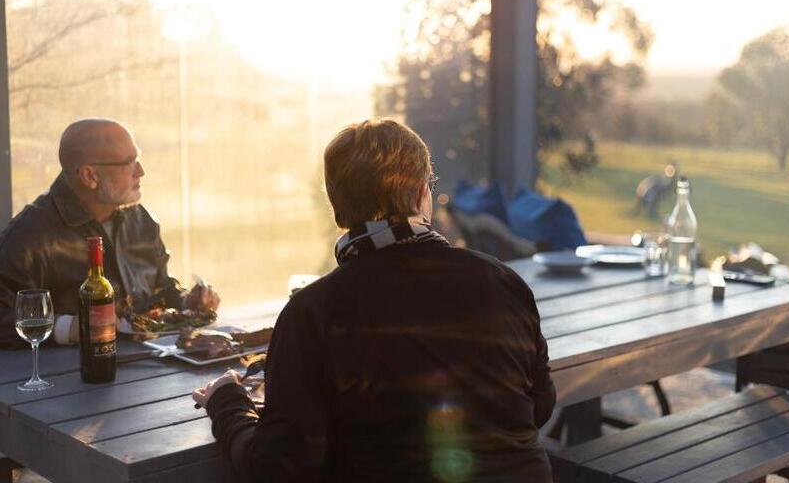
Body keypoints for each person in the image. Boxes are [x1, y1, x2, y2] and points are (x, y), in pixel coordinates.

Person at [193, 119, 556, 482]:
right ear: (419, 196)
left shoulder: (314, 311)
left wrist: (227, 402)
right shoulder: (503, 281)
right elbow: (539, 406)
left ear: (338, 209)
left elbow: (278, 467)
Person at [0, 118, 220, 348]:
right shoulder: (29, 237)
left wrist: (188, 302)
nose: (141, 171)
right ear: (89, 176)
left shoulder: (141, 220)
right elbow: (2, 317)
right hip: (74, 377)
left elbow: (159, 289)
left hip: (149, 367)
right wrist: (69, 328)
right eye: (129, 162)